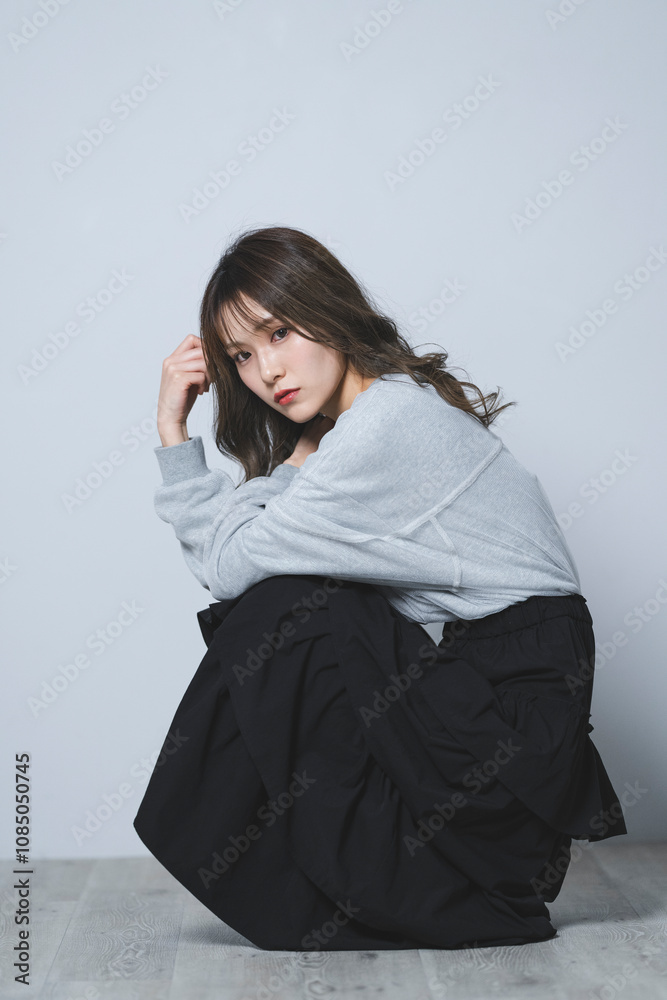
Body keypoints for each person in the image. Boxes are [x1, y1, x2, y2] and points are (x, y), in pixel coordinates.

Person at [133, 225, 627, 952]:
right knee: (295, 601)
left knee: (287, 606)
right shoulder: (372, 418)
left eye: (279, 332)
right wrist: (301, 457)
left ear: (326, 309)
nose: (267, 370)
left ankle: (291, 862)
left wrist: (173, 433)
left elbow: (229, 563)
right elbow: (241, 554)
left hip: (512, 725)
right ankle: (338, 874)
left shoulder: (384, 427)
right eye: (240, 355)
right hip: (494, 695)